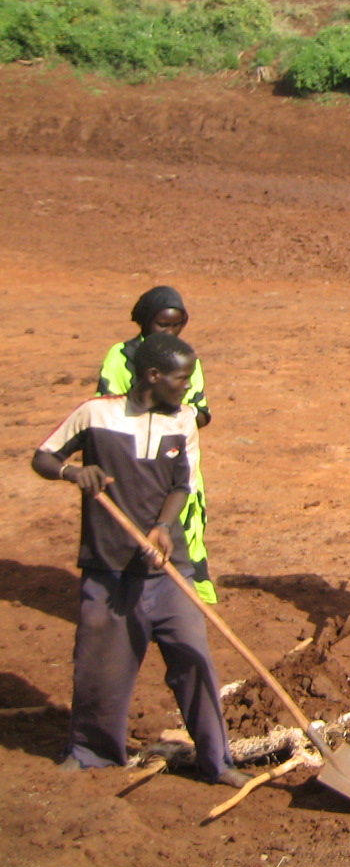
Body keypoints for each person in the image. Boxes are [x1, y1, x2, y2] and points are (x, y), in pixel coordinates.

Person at [33, 332, 248, 786]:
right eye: (180, 378)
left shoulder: (184, 420)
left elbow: (180, 485)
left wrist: (163, 528)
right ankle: (93, 752)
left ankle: (217, 761)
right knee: (100, 667)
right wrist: (74, 471)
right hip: (109, 568)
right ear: (152, 376)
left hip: (170, 569)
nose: (188, 387)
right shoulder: (95, 414)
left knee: (194, 660)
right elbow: (43, 456)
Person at [96, 286, 217, 604]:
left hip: (177, 459)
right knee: (135, 529)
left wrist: (173, 419)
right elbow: (106, 407)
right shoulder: (120, 357)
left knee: (187, 527)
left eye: (178, 325)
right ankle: (133, 601)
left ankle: (189, 599)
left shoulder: (187, 360)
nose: (171, 331)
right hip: (131, 462)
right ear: (145, 321)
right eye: (163, 324)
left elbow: (201, 412)